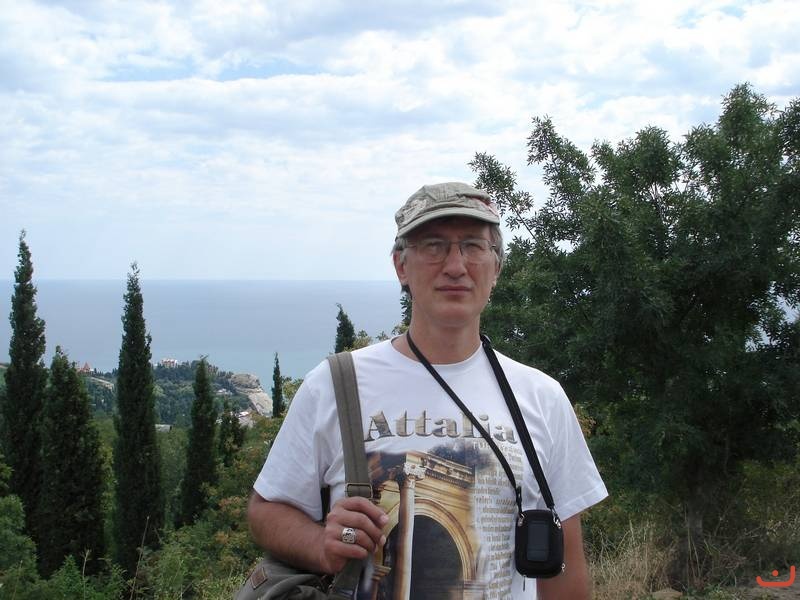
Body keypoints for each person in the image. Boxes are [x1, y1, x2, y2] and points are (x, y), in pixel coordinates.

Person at [247, 182, 608, 599]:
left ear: (496, 267)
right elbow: (265, 510)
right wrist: (318, 545)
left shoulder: (543, 398)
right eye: (434, 246)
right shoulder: (335, 385)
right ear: (401, 266)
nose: (455, 266)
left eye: (473, 246)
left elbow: (565, 571)